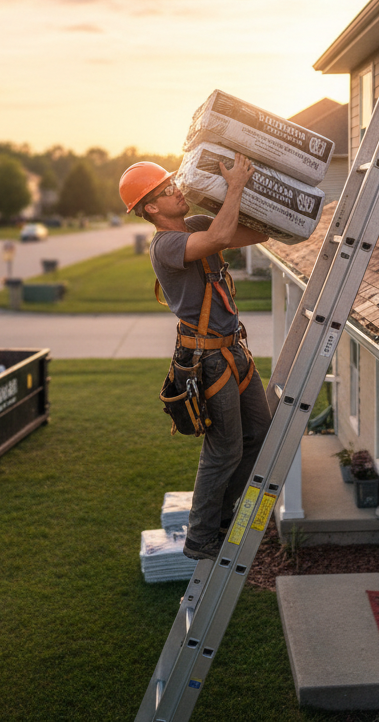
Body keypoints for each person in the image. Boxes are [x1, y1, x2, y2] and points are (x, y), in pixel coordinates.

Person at [119, 156, 271, 561]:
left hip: (233, 349)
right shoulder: (166, 245)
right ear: (150, 208)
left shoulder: (199, 225)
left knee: (258, 434)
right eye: (166, 190)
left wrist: (237, 189)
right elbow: (221, 240)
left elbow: (256, 235)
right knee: (224, 450)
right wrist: (234, 187)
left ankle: (220, 518)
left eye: (173, 183)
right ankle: (200, 537)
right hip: (208, 361)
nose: (176, 190)